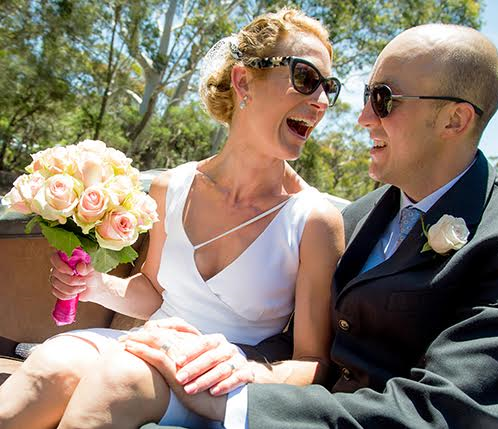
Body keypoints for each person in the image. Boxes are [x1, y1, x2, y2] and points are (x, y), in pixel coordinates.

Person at [124, 23, 498, 428]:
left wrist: (238, 403)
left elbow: (444, 411)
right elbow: (302, 343)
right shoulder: (357, 217)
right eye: (367, 96)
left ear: (455, 119)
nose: (363, 118)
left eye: (384, 100)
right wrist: (226, 364)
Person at [0, 8, 345, 429]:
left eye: (329, 87)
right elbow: (151, 292)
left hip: (214, 376)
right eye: (305, 78)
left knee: (119, 380)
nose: (321, 101)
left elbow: (313, 362)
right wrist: (95, 285)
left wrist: (251, 372)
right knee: (51, 363)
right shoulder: (171, 187)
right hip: (147, 342)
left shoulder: (313, 220)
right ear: (243, 81)